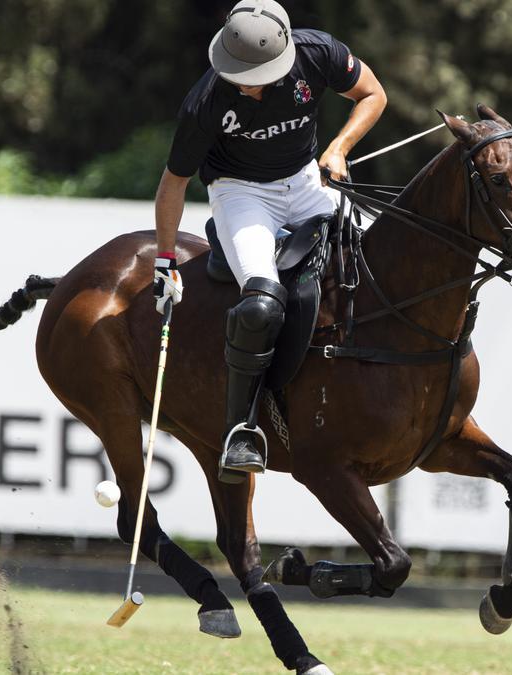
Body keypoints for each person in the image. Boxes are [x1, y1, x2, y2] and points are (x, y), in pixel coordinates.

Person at [151, 0, 387, 480]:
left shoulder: (317, 52)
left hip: (305, 182)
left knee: (369, 270)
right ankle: (241, 429)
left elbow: (373, 94)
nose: (244, 83)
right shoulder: (206, 102)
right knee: (261, 304)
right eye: (238, 72)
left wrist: (338, 149)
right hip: (241, 195)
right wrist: (165, 260)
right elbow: (173, 183)